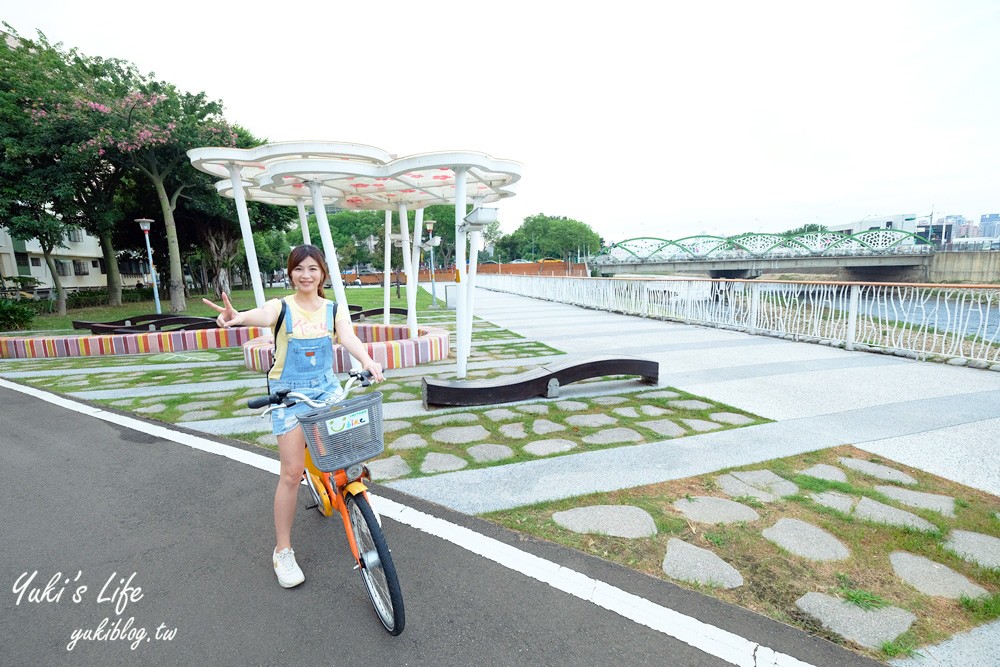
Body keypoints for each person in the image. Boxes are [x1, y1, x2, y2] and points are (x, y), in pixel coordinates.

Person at [203, 245, 384, 588]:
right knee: (290, 472)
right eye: (299, 269)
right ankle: (283, 550)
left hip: (326, 387)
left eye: (312, 269)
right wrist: (236, 317)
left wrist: (368, 361)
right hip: (288, 392)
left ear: (322, 274)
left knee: (347, 449)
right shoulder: (282, 307)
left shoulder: (333, 309)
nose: (305, 275)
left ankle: (357, 498)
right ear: (291, 273)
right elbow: (260, 314)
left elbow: (348, 337)